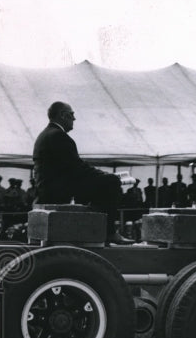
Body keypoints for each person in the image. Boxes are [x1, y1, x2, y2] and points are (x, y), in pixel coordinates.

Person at [32, 101, 132, 244]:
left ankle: (92, 227)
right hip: (58, 190)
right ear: (62, 115)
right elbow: (78, 168)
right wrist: (104, 176)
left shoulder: (46, 134)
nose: (74, 119)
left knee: (101, 183)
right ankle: (109, 232)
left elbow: (74, 168)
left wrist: (99, 175)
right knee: (112, 182)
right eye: (72, 114)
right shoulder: (58, 136)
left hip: (49, 189)